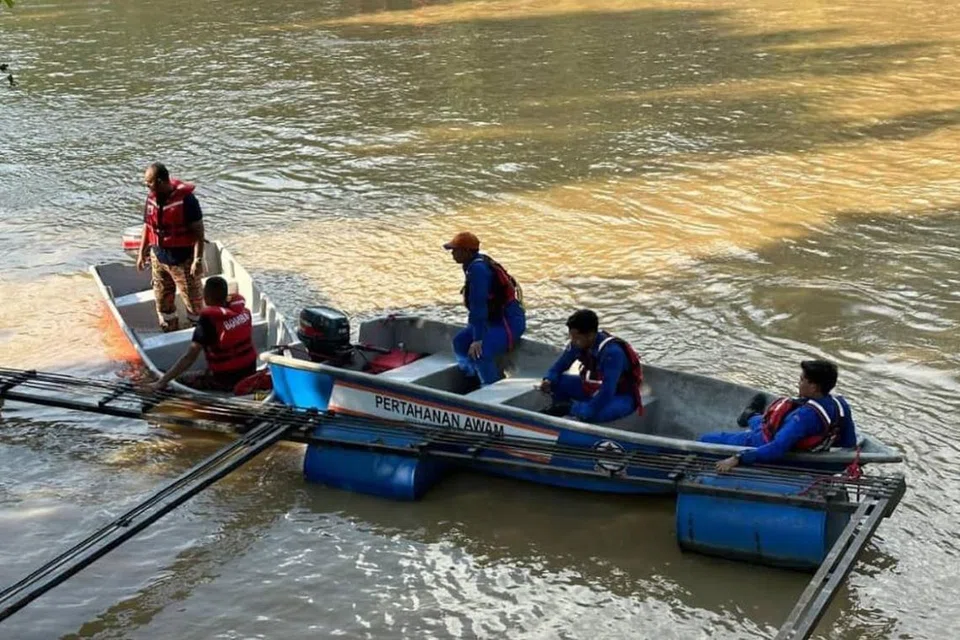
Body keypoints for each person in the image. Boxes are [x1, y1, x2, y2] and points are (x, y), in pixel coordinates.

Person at [701, 359, 857, 472]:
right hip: (783, 431)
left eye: (802, 379)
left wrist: (738, 458)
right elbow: (850, 442)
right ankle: (750, 416)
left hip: (763, 440)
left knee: (706, 439)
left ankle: (750, 416)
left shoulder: (804, 417)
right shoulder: (840, 404)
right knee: (764, 422)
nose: (798, 383)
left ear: (814, 387)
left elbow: (776, 449)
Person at [145, 276, 258, 392]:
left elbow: (189, 357)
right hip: (250, 372)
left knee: (172, 381)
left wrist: (161, 382)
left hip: (225, 380)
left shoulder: (209, 321)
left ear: (206, 297)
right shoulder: (242, 312)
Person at [445, 232, 526, 385]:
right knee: (460, 343)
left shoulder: (478, 271)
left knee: (480, 353)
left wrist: (478, 339)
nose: (452, 253)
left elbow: (479, 307)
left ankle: (491, 387)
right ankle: (472, 376)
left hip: (507, 322)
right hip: (492, 320)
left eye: (455, 250)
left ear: (467, 252)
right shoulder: (472, 264)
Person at [537, 309, 644, 423]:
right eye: (571, 337)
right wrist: (548, 379)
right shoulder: (577, 344)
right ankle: (563, 413)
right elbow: (559, 366)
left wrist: (577, 409)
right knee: (556, 383)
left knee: (591, 414)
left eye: (577, 338)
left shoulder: (612, 353)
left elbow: (607, 391)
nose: (573, 341)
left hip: (618, 396)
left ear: (590, 335)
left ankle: (571, 413)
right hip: (591, 387)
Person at [135, 162, 205, 332]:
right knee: (162, 300)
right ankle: (170, 329)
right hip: (158, 257)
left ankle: (199, 335)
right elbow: (147, 226)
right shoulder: (152, 198)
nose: (146, 186)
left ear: (159, 181)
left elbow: (199, 233)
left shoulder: (187, 200)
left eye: (149, 182)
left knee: (193, 303)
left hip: (182, 260)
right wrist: (141, 252)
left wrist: (197, 259)